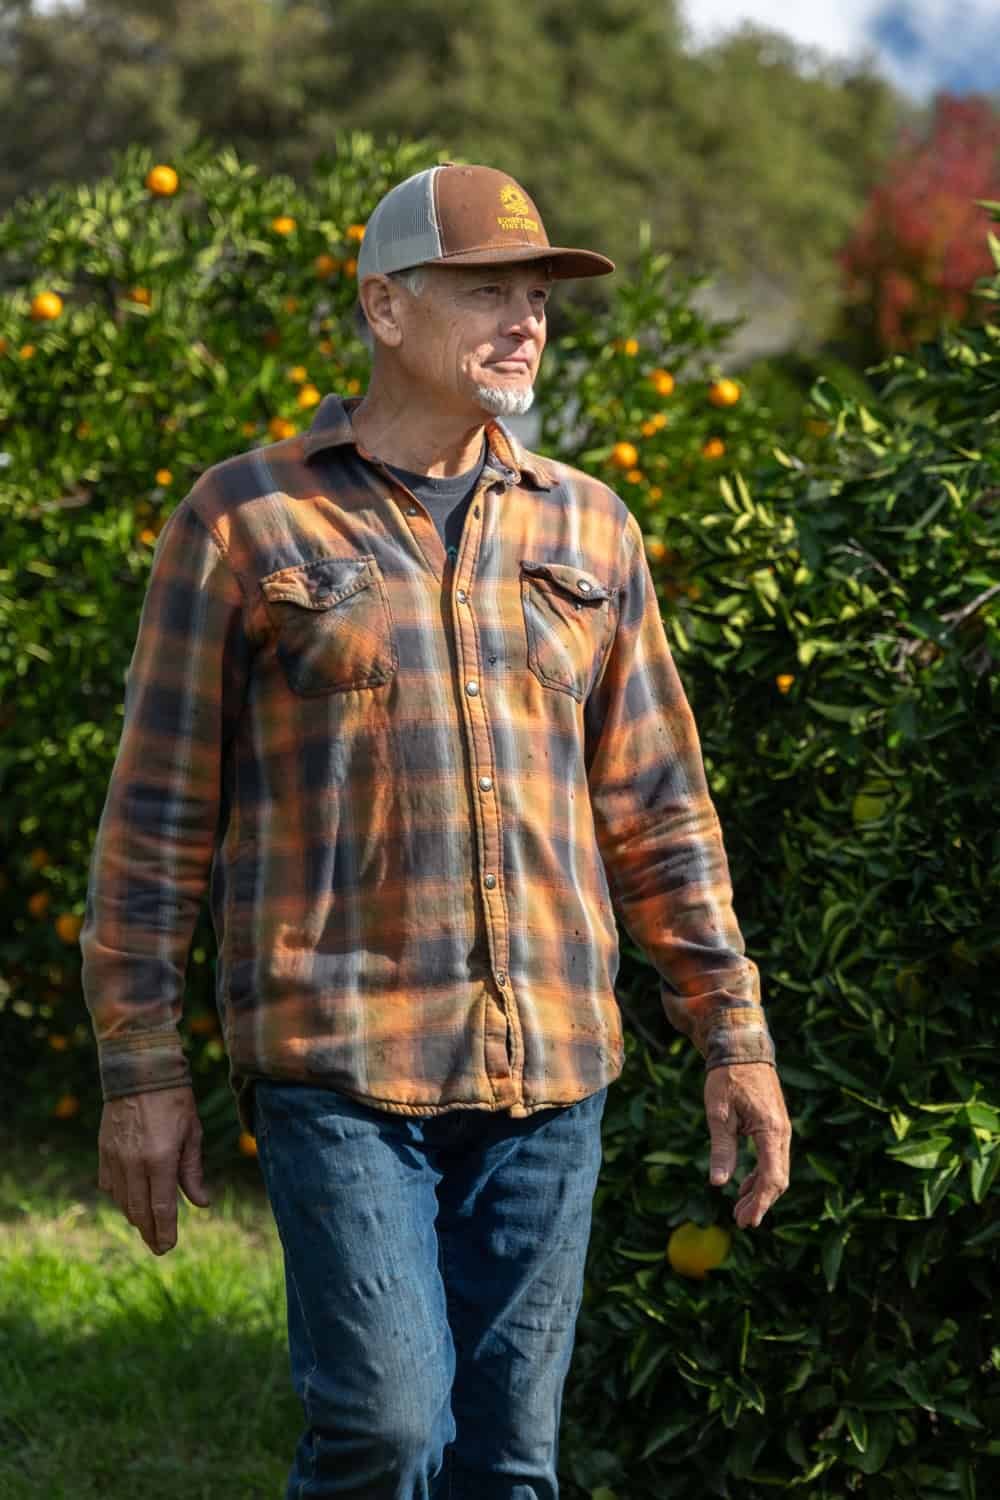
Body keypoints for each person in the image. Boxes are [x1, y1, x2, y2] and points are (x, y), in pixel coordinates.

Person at [81, 161, 791, 1499]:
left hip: (552, 1069)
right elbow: (158, 814)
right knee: (390, 1432)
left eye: (539, 296)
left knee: (511, 1462)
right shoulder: (245, 517)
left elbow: (658, 807)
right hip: (340, 1060)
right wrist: (140, 1067)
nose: (526, 320)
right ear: (385, 308)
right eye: (487, 292)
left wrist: (733, 1034)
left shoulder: (592, 526)